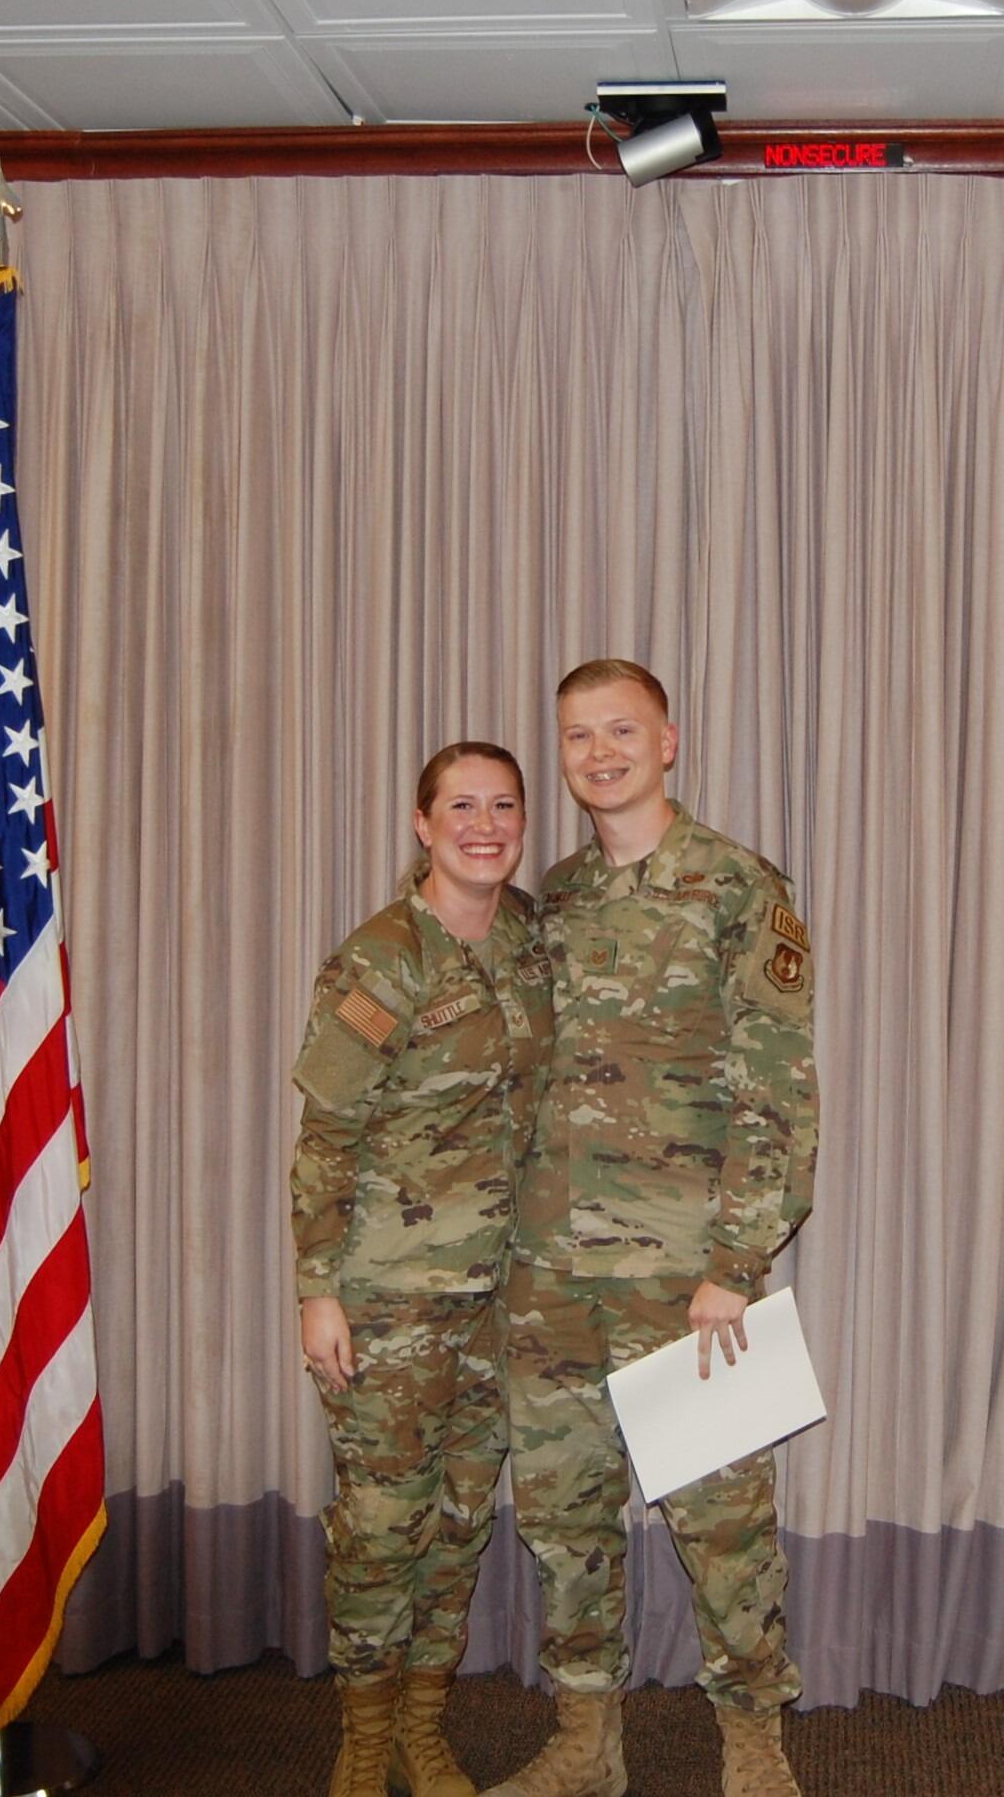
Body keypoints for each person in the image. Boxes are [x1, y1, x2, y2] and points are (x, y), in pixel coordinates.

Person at [490, 661, 818, 1797]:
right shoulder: (555, 901)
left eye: (621, 729)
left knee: (723, 1522)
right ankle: (587, 1742)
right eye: (578, 736)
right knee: (564, 1518)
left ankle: (754, 1745)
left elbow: (778, 1094)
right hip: (548, 1274)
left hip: (684, 1274)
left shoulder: (738, 887)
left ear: (668, 741)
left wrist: (737, 1264)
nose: (599, 752)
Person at [291, 741, 555, 1797]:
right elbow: (324, 1135)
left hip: (500, 1297)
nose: (483, 824)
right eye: (461, 805)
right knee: (378, 1530)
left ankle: (422, 1726)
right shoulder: (381, 960)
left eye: (502, 805)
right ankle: (360, 1743)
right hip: (391, 1300)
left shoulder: (533, 938)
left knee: (457, 1521)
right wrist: (318, 1290)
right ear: (421, 822)